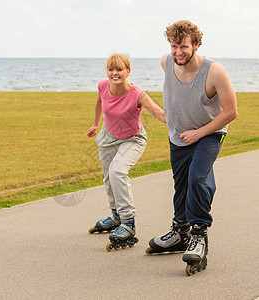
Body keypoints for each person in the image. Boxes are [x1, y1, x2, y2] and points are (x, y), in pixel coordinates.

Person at [145, 20, 238, 275]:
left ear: (197, 44)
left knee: (198, 178)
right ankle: (180, 231)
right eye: (174, 46)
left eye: (184, 47)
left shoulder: (214, 71)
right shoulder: (166, 62)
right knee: (182, 183)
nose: (178, 52)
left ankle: (199, 235)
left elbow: (231, 112)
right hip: (178, 136)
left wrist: (199, 132)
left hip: (209, 133)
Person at [87, 53, 166, 251]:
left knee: (117, 172)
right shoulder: (103, 85)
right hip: (108, 136)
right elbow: (100, 102)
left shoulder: (137, 94)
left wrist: (184, 124)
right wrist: (95, 124)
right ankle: (115, 216)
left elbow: (158, 112)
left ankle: (128, 223)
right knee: (108, 178)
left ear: (128, 72)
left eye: (119, 69)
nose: (115, 73)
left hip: (132, 138)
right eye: (111, 69)